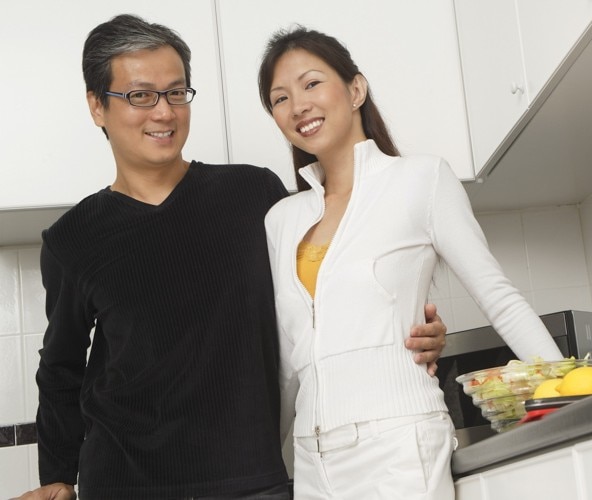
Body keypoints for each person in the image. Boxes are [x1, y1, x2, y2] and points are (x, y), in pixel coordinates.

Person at [15, 14, 447, 500]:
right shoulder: (73, 239)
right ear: (98, 106)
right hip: (123, 485)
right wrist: (56, 475)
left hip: (251, 479)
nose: (164, 112)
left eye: (176, 93)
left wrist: (408, 328)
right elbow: (61, 368)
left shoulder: (254, 194)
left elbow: (326, 291)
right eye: (140, 95)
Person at [258, 26, 565, 499]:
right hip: (312, 463)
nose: (297, 105)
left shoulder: (422, 181)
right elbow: (287, 365)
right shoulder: (282, 220)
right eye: (279, 98)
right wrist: (265, 465)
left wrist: (570, 394)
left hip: (399, 447)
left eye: (311, 83)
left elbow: (498, 297)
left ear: (355, 89)